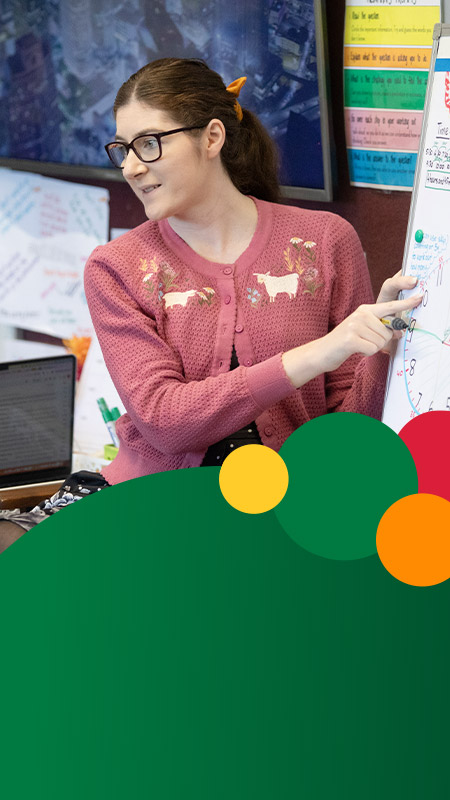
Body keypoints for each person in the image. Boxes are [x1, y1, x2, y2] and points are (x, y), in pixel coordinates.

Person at [0, 57, 421, 543]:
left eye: (150, 144)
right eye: (123, 149)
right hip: (155, 509)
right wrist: (318, 352)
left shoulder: (324, 241)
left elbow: (350, 431)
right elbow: (164, 421)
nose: (132, 167)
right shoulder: (116, 266)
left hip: (290, 511)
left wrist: (382, 349)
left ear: (212, 138)